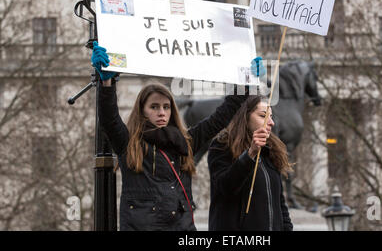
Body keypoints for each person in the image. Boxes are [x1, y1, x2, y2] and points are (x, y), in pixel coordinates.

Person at [91, 41, 265, 231]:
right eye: (154, 107)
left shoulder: (186, 142)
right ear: (142, 111)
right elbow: (109, 119)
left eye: (166, 107)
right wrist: (106, 83)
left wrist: (246, 82)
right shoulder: (129, 142)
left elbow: (221, 116)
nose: (161, 113)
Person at [208, 95, 294, 231]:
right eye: (263, 116)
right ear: (245, 116)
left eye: (271, 117)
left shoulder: (272, 151)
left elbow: (279, 204)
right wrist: (249, 155)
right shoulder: (222, 145)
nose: (271, 122)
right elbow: (224, 188)